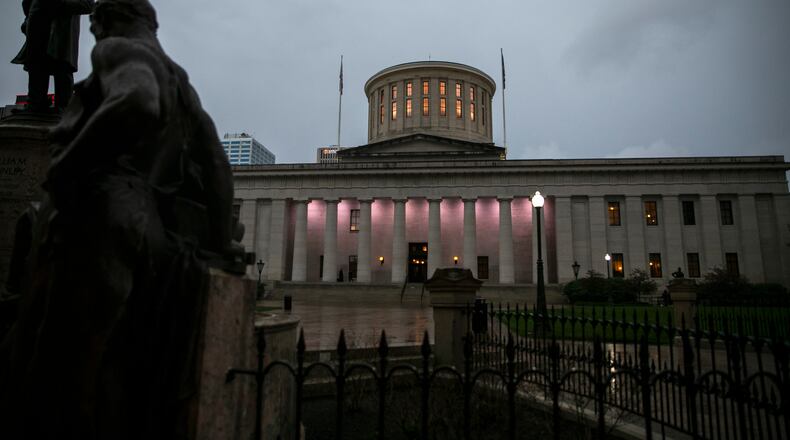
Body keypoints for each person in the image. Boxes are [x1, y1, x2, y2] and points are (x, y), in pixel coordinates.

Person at [0, 1, 239, 437]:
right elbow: (217, 167)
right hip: (152, 229)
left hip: (101, 213)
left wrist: (67, 164)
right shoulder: (182, 83)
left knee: (63, 364)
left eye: (95, 25)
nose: (93, 33)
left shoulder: (120, 52)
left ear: (109, 20)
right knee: (121, 360)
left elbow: (138, 101)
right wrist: (221, 245)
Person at [12, 0, 95, 112]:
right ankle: (35, 104)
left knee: (62, 67)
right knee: (36, 66)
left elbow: (88, 5)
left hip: (63, 29)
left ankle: (63, 107)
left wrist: (59, 5)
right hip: (37, 24)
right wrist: (28, 19)